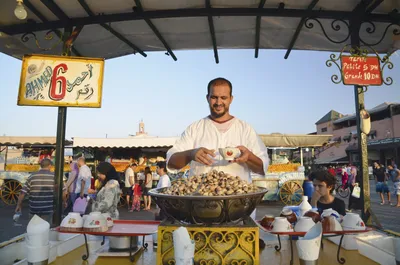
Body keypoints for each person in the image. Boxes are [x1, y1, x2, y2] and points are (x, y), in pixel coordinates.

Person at [166, 77, 269, 184]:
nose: (218, 102)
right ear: (207, 98)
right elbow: (171, 163)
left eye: (223, 97)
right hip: (202, 197)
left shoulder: (245, 129)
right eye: (214, 97)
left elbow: (262, 168)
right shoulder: (195, 128)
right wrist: (191, 154)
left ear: (231, 99)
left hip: (238, 198)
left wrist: (249, 157)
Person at [15, 159, 55, 224]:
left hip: (34, 208)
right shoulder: (54, 176)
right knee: (46, 229)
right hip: (48, 209)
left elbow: (23, 193)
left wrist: (18, 205)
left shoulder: (32, 176)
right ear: (50, 166)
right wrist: (64, 202)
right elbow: (63, 192)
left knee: (33, 229)